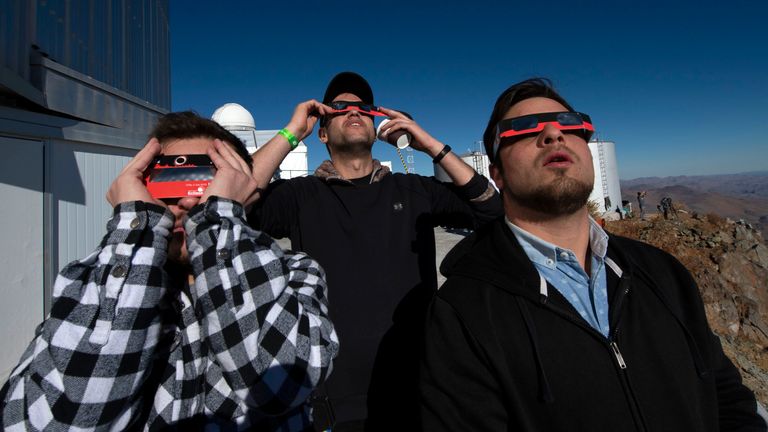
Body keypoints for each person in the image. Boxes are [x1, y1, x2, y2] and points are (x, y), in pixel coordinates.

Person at [419, 78, 766, 431]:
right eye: (522, 128)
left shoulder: (663, 273)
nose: (554, 134)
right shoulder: (462, 313)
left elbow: (727, 398)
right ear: (498, 175)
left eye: (570, 124)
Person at [0, 112, 339, 431]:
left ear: (239, 191)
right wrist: (136, 229)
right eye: (168, 180)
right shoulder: (92, 284)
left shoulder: (294, 272)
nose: (188, 202)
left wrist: (218, 219)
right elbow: (63, 422)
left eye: (208, 181)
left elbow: (280, 386)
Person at [246, 72, 502, 430]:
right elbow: (234, 204)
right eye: (339, 107)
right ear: (321, 132)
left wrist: (428, 143)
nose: (353, 111)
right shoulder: (299, 197)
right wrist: (290, 133)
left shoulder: (413, 190)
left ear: (377, 126)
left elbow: (491, 211)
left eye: (363, 107)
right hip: (333, 400)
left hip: (421, 390)